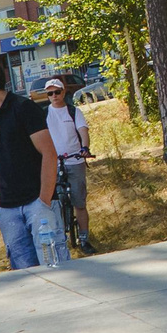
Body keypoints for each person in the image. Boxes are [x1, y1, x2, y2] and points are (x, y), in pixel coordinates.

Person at [0, 58, 65, 269]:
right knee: (25, 279)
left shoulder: (24, 108)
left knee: (55, 270)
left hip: (38, 205)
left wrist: (44, 201)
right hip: (8, 211)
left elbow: (49, 153)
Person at [40, 79, 97, 254]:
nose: (54, 96)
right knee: (51, 203)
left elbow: (83, 131)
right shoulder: (43, 115)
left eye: (57, 92)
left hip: (75, 161)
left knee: (79, 202)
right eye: (50, 93)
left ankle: (84, 238)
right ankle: (57, 240)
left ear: (64, 92)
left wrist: (84, 148)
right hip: (53, 164)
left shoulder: (73, 112)